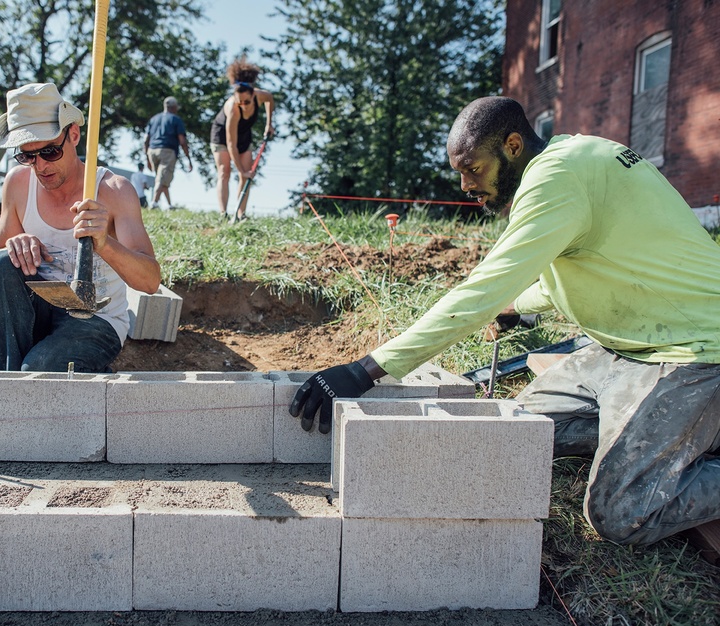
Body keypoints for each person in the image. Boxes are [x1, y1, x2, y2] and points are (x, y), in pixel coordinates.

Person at [290, 96, 720, 548]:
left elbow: (481, 292)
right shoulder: (577, 159)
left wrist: (363, 371)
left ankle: (685, 437)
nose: (465, 184)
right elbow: (597, 266)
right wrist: (520, 308)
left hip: (693, 353)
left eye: (473, 168)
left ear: (512, 145)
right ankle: (678, 436)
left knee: (620, 510)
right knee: (519, 431)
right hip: (628, 348)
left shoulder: (556, 178)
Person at [0, 83, 161, 373]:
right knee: (4, 262)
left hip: (97, 321)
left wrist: (105, 244)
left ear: (75, 135)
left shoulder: (114, 190)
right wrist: (14, 246)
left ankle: (32, 374)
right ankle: (9, 378)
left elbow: (150, 281)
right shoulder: (17, 184)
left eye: (50, 151)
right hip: (40, 309)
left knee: (37, 370)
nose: (40, 166)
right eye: (27, 156)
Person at [209, 56, 275, 223]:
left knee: (247, 176)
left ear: (253, 95)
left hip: (244, 135)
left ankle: (240, 213)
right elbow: (231, 144)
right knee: (225, 172)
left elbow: (270, 100)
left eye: (246, 101)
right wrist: (240, 169)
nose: (244, 105)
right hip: (223, 137)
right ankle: (223, 213)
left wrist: (269, 124)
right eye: (240, 102)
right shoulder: (233, 109)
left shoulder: (261, 96)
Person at [144, 96, 192, 209]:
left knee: (162, 179)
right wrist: (188, 158)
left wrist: (147, 158)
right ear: (174, 107)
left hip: (152, 151)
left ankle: (170, 205)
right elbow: (182, 140)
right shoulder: (176, 119)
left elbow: (146, 140)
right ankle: (154, 203)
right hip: (167, 151)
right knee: (162, 179)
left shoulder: (153, 119)